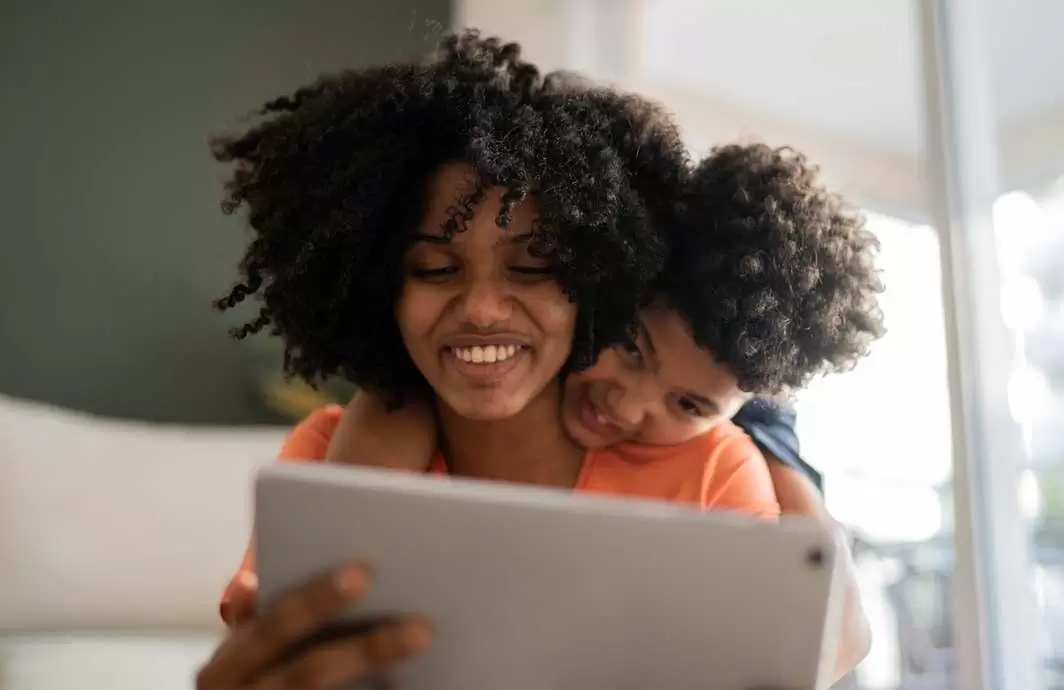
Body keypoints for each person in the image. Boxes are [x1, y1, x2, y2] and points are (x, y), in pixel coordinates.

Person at [201, 30, 793, 690]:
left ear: (599, 276)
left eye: (533, 266)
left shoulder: (712, 470)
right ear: (381, 287)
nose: (482, 308)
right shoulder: (326, 457)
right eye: (434, 267)